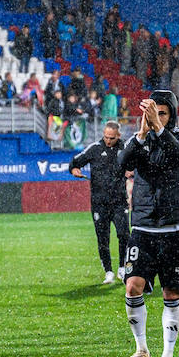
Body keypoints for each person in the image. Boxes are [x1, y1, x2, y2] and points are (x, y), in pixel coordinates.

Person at [119, 91, 179, 357]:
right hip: (142, 226)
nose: (155, 118)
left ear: (171, 115)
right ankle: (141, 349)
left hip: (174, 227)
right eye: (152, 112)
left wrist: (160, 130)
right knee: (132, 286)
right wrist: (141, 134)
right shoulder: (139, 140)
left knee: (171, 292)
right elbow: (122, 163)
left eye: (162, 113)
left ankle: (167, 354)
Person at [70, 121, 130, 284]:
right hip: (99, 203)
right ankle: (108, 271)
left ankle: (122, 269)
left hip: (119, 202)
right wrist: (74, 170)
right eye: (105, 137)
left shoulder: (126, 148)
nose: (108, 141)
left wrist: (132, 171)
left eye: (111, 138)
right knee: (103, 239)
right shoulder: (95, 148)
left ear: (118, 136)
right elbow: (75, 162)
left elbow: (137, 164)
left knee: (124, 234)